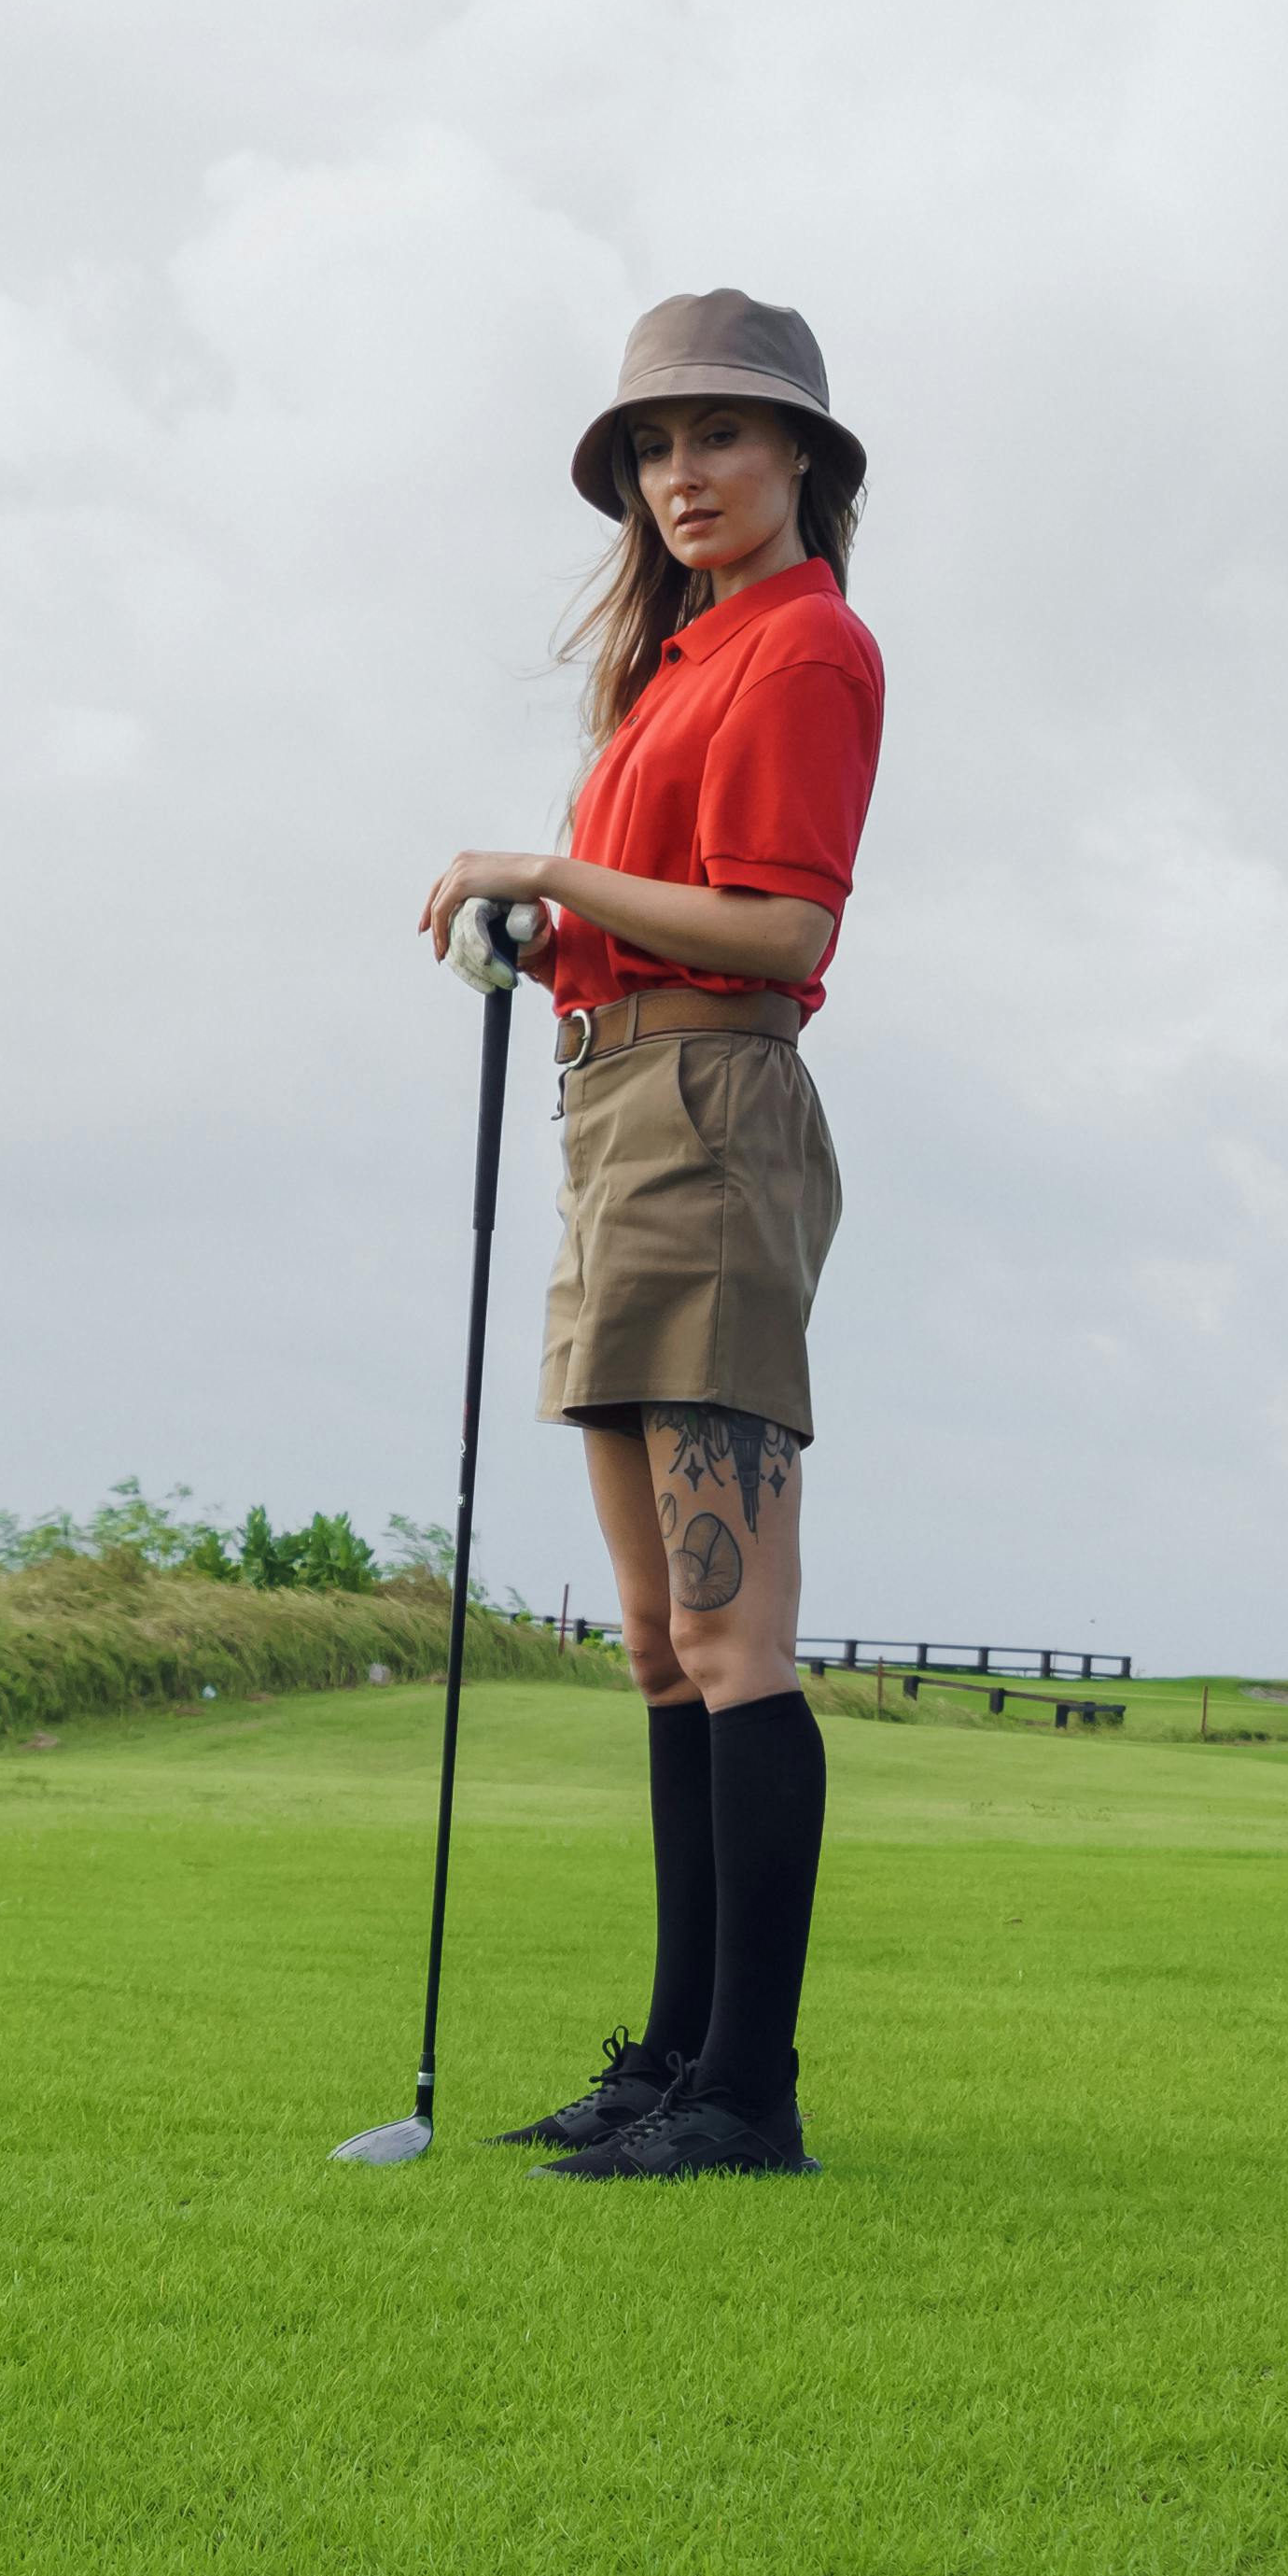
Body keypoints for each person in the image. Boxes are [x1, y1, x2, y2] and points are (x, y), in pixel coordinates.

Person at [421, 289, 883, 2180]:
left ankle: (747, 2091)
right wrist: (546, 936)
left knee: (728, 1625)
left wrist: (546, 866)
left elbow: (783, 929)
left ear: (799, 460)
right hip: (613, 1115)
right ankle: (677, 2054)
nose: (684, 475)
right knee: (654, 1641)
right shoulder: (674, 667)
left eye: (721, 435)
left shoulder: (807, 647)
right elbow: (649, 908)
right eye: (656, 447)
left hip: (711, 1117)